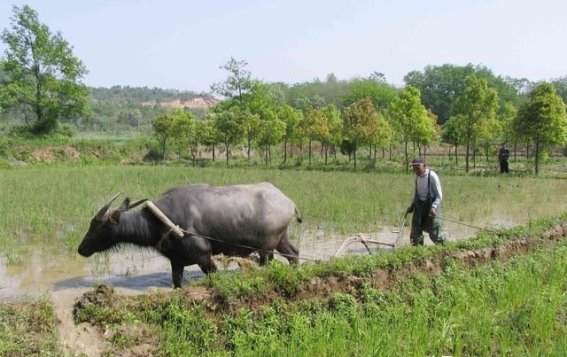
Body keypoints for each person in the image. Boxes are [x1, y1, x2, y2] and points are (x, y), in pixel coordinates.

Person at [406, 157, 447, 246]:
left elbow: (439, 195)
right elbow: (417, 192)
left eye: (418, 168)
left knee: (435, 232)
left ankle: (445, 248)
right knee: (415, 231)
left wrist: (434, 207)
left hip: (431, 206)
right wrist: (412, 206)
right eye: (414, 168)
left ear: (424, 166)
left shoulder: (432, 176)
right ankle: (417, 250)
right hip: (419, 206)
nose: (416, 170)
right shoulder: (416, 176)